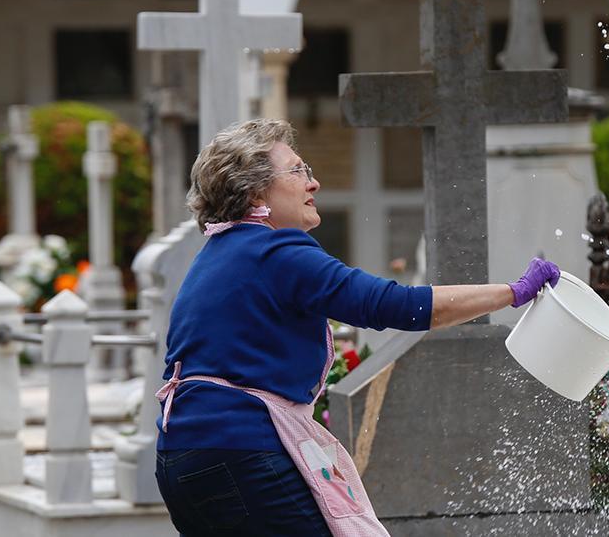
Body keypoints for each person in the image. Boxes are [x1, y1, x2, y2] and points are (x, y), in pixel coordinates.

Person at [153, 119, 559, 536]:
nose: (314, 183)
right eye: (297, 171)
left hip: (181, 459)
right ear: (256, 190)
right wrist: (512, 292)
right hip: (238, 453)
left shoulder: (218, 252)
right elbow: (394, 306)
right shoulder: (273, 250)